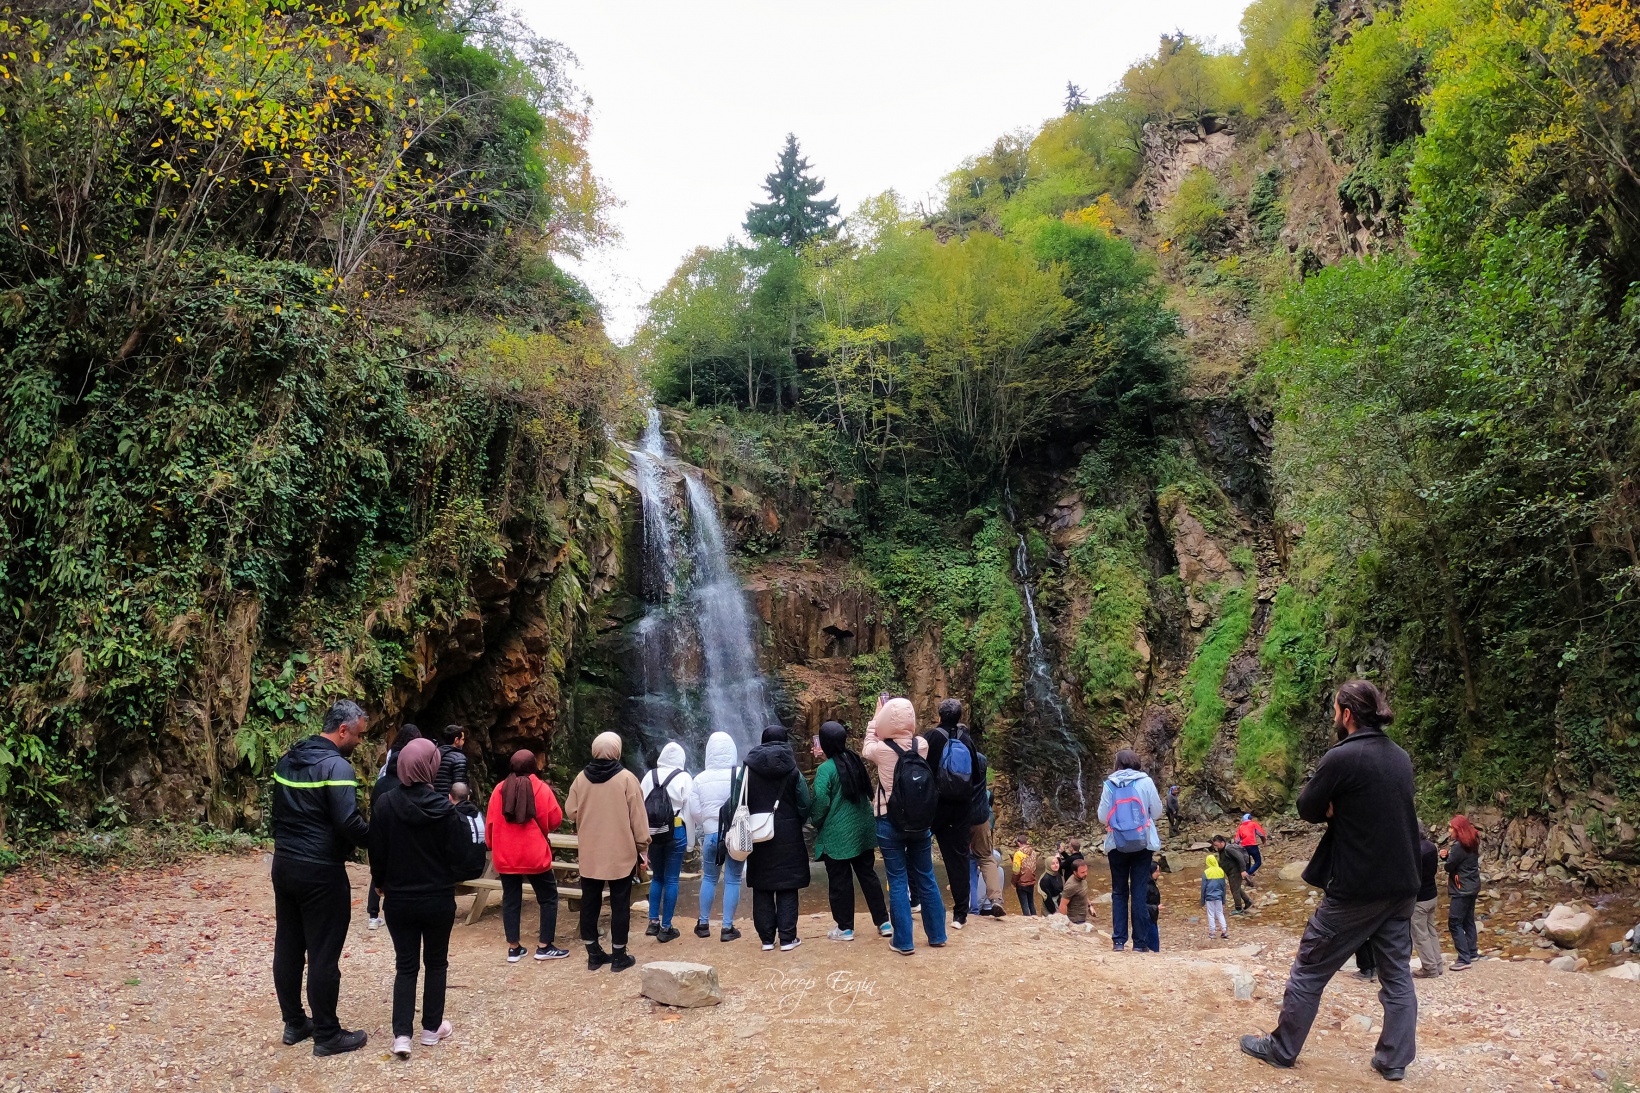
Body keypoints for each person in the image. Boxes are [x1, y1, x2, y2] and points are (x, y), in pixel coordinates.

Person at [1241, 680, 1421, 1082]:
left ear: (1347, 714)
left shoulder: (1343, 757)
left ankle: (1282, 1049)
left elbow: (1306, 807)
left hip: (1358, 885)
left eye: (1335, 710)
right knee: (1396, 977)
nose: (1333, 717)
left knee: (1309, 968)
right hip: (1404, 882)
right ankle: (1393, 1060)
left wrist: (1333, 807)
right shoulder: (1400, 756)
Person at [271, 699, 371, 1057]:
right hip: (320, 871)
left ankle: (295, 1023)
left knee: (288, 944)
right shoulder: (336, 767)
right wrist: (378, 840)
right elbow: (348, 822)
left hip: (284, 864)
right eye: (358, 735)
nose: (360, 742)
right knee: (324, 954)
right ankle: (327, 1034)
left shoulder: (289, 758)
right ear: (342, 730)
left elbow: (277, 814)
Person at [369, 737, 473, 1059]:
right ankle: (431, 1029)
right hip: (438, 899)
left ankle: (402, 1035)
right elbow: (460, 858)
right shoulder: (446, 810)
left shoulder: (385, 804)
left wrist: (382, 883)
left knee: (406, 965)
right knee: (436, 962)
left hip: (399, 900)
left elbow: (377, 850)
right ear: (431, 767)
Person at [863, 696, 948, 954]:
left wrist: (874, 719)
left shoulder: (880, 750)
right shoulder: (920, 744)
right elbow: (908, 735)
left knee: (898, 879)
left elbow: (867, 746)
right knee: (926, 877)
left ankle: (903, 941)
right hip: (920, 821)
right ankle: (937, 935)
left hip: (889, 820)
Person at [564, 732, 650, 973]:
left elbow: (570, 811)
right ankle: (619, 955)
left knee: (589, 903)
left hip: (591, 853)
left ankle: (593, 953)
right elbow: (638, 818)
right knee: (620, 904)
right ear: (617, 750)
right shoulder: (626, 778)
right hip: (620, 853)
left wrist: (589, 814)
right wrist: (643, 847)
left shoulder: (581, 779)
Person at [485, 749, 567, 963]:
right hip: (534, 854)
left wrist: (492, 845)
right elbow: (555, 818)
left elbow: (491, 822)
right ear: (533, 766)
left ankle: (514, 948)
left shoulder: (499, 789)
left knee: (511, 899)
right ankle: (544, 946)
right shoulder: (541, 788)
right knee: (548, 898)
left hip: (505, 854)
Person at [810, 721, 890, 941]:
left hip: (837, 835)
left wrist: (815, 822)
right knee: (868, 876)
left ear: (824, 743)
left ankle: (845, 928)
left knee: (840, 881)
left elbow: (820, 802)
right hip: (863, 829)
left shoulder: (825, 769)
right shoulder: (854, 759)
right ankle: (883, 922)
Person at [745, 726, 812, 951]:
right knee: (787, 884)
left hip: (757, 835)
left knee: (762, 886)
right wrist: (796, 821)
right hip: (788, 834)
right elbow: (804, 802)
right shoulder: (793, 770)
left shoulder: (748, 769)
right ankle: (787, 938)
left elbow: (738, 800)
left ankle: (766, 939)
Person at [1097, 748, 1164, 952]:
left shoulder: (1109, 784)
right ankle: (1140, 943)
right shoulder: (1146, 782)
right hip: (1142, 842)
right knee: (1139, 890)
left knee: (1118, 892)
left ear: (1117, 764)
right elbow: (1158, 812)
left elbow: (1102, 816)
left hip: (1117, 843)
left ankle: (1118, 941)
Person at [923, 699, 979, 930]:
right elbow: (975, 773)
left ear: (939, 716)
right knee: (958, 860)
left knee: (918, 852)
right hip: (960, 809)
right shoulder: (967, 739)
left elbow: (920, 769)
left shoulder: (931, 737)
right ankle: (960, 915)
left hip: (934, 807)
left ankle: (920, 903)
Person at [686, 731, 745, 941]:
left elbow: (694, 811)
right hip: (735, 836)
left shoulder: (699, 778)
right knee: (733, 880)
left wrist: (708, 823)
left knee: (709, 878)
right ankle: (727, 928)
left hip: (712, 835)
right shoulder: (739, 774)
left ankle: (703, 924)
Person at [367, 724, 422, 930]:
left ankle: (373, 913)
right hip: (398, 823)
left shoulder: (384, 773)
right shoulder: (407, 777)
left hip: (380, 822)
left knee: (379, 866)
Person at [639, 741, 694, 943]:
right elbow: (689, 810)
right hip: (676, 830)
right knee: (671, 879)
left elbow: (640, 805)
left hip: (652, 832)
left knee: (657, 878)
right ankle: (666, 927)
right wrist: (690, 840)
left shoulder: (648, 776)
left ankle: (653, 922)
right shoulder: (684, 777)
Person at [1443, 813, 1482, 970]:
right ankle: (1472, 952)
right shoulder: (1473, 840)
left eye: (1451, 828)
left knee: (1454, 922)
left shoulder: (1459, 846)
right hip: (1472, 886)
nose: (1449, 830)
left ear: (1458, 829)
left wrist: (1445, 858)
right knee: (1468, 920)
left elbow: (1449, 867)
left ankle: (1464, 958)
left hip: (1461, 888)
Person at [1411, 824, 1444, 978]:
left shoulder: (1415, 851)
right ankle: (1437, 964)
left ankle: (1429, 968)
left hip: (1420, 899)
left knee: (1420, 935)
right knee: (1431, 931)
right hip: (1432, 894)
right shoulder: (1431, 847)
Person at [1212, 834, 1253, 915]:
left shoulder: (1229, 849)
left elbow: (1240, 858)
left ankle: (1238, 909)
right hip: (1230, 872)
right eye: (1215, 846)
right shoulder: (1222, 850)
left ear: (1222, 842)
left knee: (1234, 890)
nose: (1216, 847)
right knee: (1236, 888)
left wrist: (1243, 870)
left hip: (1236, 871)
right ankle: (1247, 901)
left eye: (1217, 845)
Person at [433, 725, 468, 799]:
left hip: (433, 800)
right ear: (456, 740)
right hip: (449, 802)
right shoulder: (459, 758)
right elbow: (459, 785)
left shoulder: (434, 754)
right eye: (463, 739)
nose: (464, 742)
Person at [1201, 853, 1229, 940]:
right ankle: (1224, 930)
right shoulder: (1221, 871)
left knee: (1211, 914)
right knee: (1220, 913)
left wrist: (1202, 900)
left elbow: (1203, 888)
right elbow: (1223, 886)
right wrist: (1223, 898)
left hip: (1209, 897)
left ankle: (1212, 932)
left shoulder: (1206, 873)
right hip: (1219, 896)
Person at [1012, 836, 1039, 917]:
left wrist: (1013, 883)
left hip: (1021, 882)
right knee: (1031, 903)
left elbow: (1016, 871)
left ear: (1019, 843)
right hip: (1032, 881)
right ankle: (1035, 918)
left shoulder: (1018, 854)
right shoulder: (1034, 853)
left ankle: (1027, 920)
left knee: (1024, 905)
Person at [1237, 812, 1268, 879]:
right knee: (1258, 862)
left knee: (1247, 861)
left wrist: (1237, 848)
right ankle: (1248, 874)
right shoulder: (1253, 824)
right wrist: (1264, 841)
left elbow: (1237, 840)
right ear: (1250, 818)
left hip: (1244, 846)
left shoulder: (1241, 827)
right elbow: (1261, 834)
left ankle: (1247, 874)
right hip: (1252, 845)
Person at [1061, 858, 1090, 925]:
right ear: (1075, 872)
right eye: (1082, 872)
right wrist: (1066, 924)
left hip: (1083, 917)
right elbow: (1062, 905)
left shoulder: (1082, 878)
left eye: (1086, 871)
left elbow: (1083, 893)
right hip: (1075, 921)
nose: (1086, 874)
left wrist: (1090, 905)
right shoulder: (1071, 886)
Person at [1142, 861, 1162, 952]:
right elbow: (1141, 905)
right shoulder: (1146, 886)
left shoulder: (1151, 883)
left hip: (1152, 916)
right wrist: (1156, 908)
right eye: (1157, 871)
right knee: (1153, 943)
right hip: (1148, 918)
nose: (1159, 874)